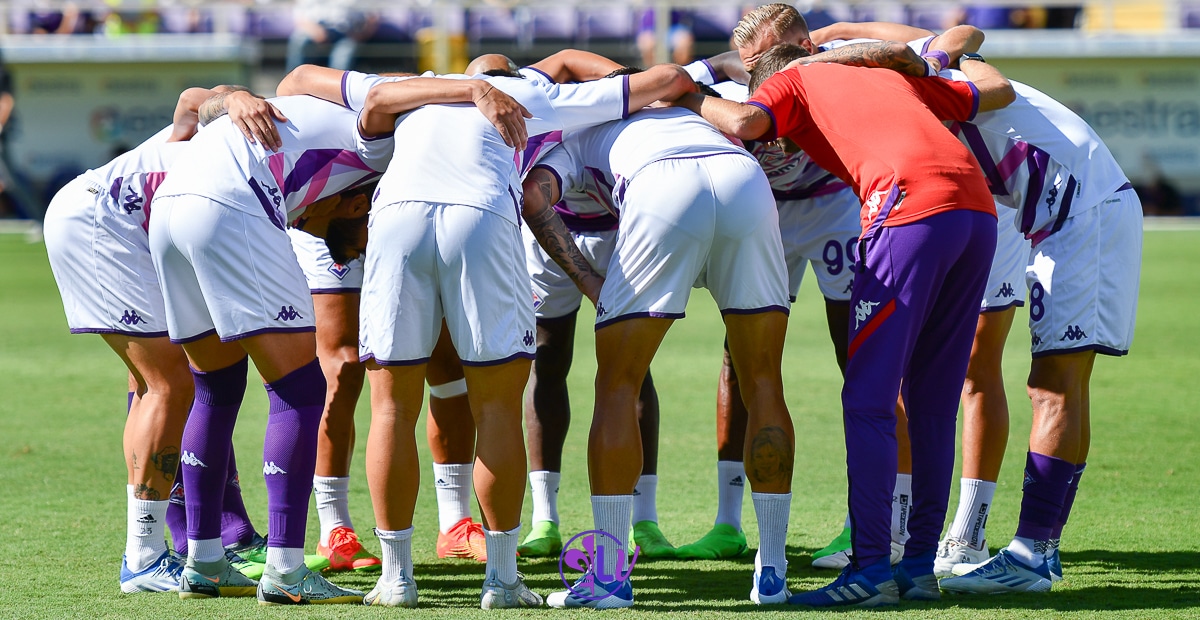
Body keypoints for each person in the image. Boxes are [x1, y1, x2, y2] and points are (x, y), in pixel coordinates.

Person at [338, 53, 695, 609]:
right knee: (497, 409)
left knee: (390, 409)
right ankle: (502, 580)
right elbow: (670, 79)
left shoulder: (421, 86)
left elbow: (373, 103)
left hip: (397, 219)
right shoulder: (534, 92)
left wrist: (470, 87)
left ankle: (396, 578)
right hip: (482, 215)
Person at [671, 41, 1014, 607]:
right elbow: (982, 97)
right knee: (932, 400)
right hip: (976, 211)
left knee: (868, 399)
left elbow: (747, 120)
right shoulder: (882, 74)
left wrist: (687, 92)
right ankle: (920, 567)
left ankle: (872, 570)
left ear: (762, 61)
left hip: (908, 209)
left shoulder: (794, 75)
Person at [147, 70, 441, 605]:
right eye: (364, 243)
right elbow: (310, 77)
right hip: (228, 204)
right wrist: (471, 88)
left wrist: (231, 96)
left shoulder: (318, 142)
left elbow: (272, 88)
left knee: (213, 386)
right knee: (302, 392)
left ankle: (205, 559)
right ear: (361, 204)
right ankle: (285, 569)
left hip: (168, 208)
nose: (353, 255)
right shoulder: (378, 154)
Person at [524, 98, 791, 609]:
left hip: (663, 185)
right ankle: (773, 573)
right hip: (743, 178)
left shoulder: (571, 135)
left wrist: (585, 278)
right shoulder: (670, 107)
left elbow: (534, 196)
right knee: (764, 383)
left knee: (617, 384)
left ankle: (607, 578)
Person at [43, 86, 284, 593]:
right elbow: (193, 97)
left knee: (154, 380)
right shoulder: (225, 125)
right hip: (100, 219)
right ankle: (145, 558)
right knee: (171, 385)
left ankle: (163, 546)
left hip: (110, 222)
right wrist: (238, 96)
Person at [933, 45, 1143, 595]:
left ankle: (1030, 556)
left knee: (1053, 388)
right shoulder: (938, 79)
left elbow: (966, 40)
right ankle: (1040, 551)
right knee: (1062, 386)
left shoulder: (949, 88)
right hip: (1076, 216)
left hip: (1083, 215)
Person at [285, 0, 378, 72]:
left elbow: (372, 17)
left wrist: (360, 35)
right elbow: (300, 16)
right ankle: (291, 85)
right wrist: (315, 31)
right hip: (314, 30)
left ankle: (337, 90)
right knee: (299, 40)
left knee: (344, 54)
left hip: (346, 33)